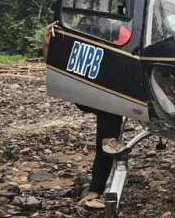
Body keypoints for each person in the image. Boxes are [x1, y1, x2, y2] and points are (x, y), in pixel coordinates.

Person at [43, 21, 126, 207]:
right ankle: (96, 187)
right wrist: (48, 43)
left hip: (113, 92)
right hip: (89, 92)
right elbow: (54, 64)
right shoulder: (74, 37)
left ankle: (96, 188)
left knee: (108, 125)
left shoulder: (117, 32)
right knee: (108, 123)